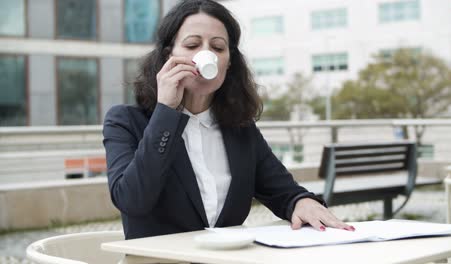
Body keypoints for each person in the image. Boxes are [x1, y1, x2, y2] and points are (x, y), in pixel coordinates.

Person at [103, 0, 354, 240]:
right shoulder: (125, 121)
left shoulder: (239, 127)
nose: (206, 55)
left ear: (229, 61)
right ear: (169, 56)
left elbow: (283, 191)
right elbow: (132, 200)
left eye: (218, 47)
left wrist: (301, 202)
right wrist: (166, 112)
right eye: (192, 45)